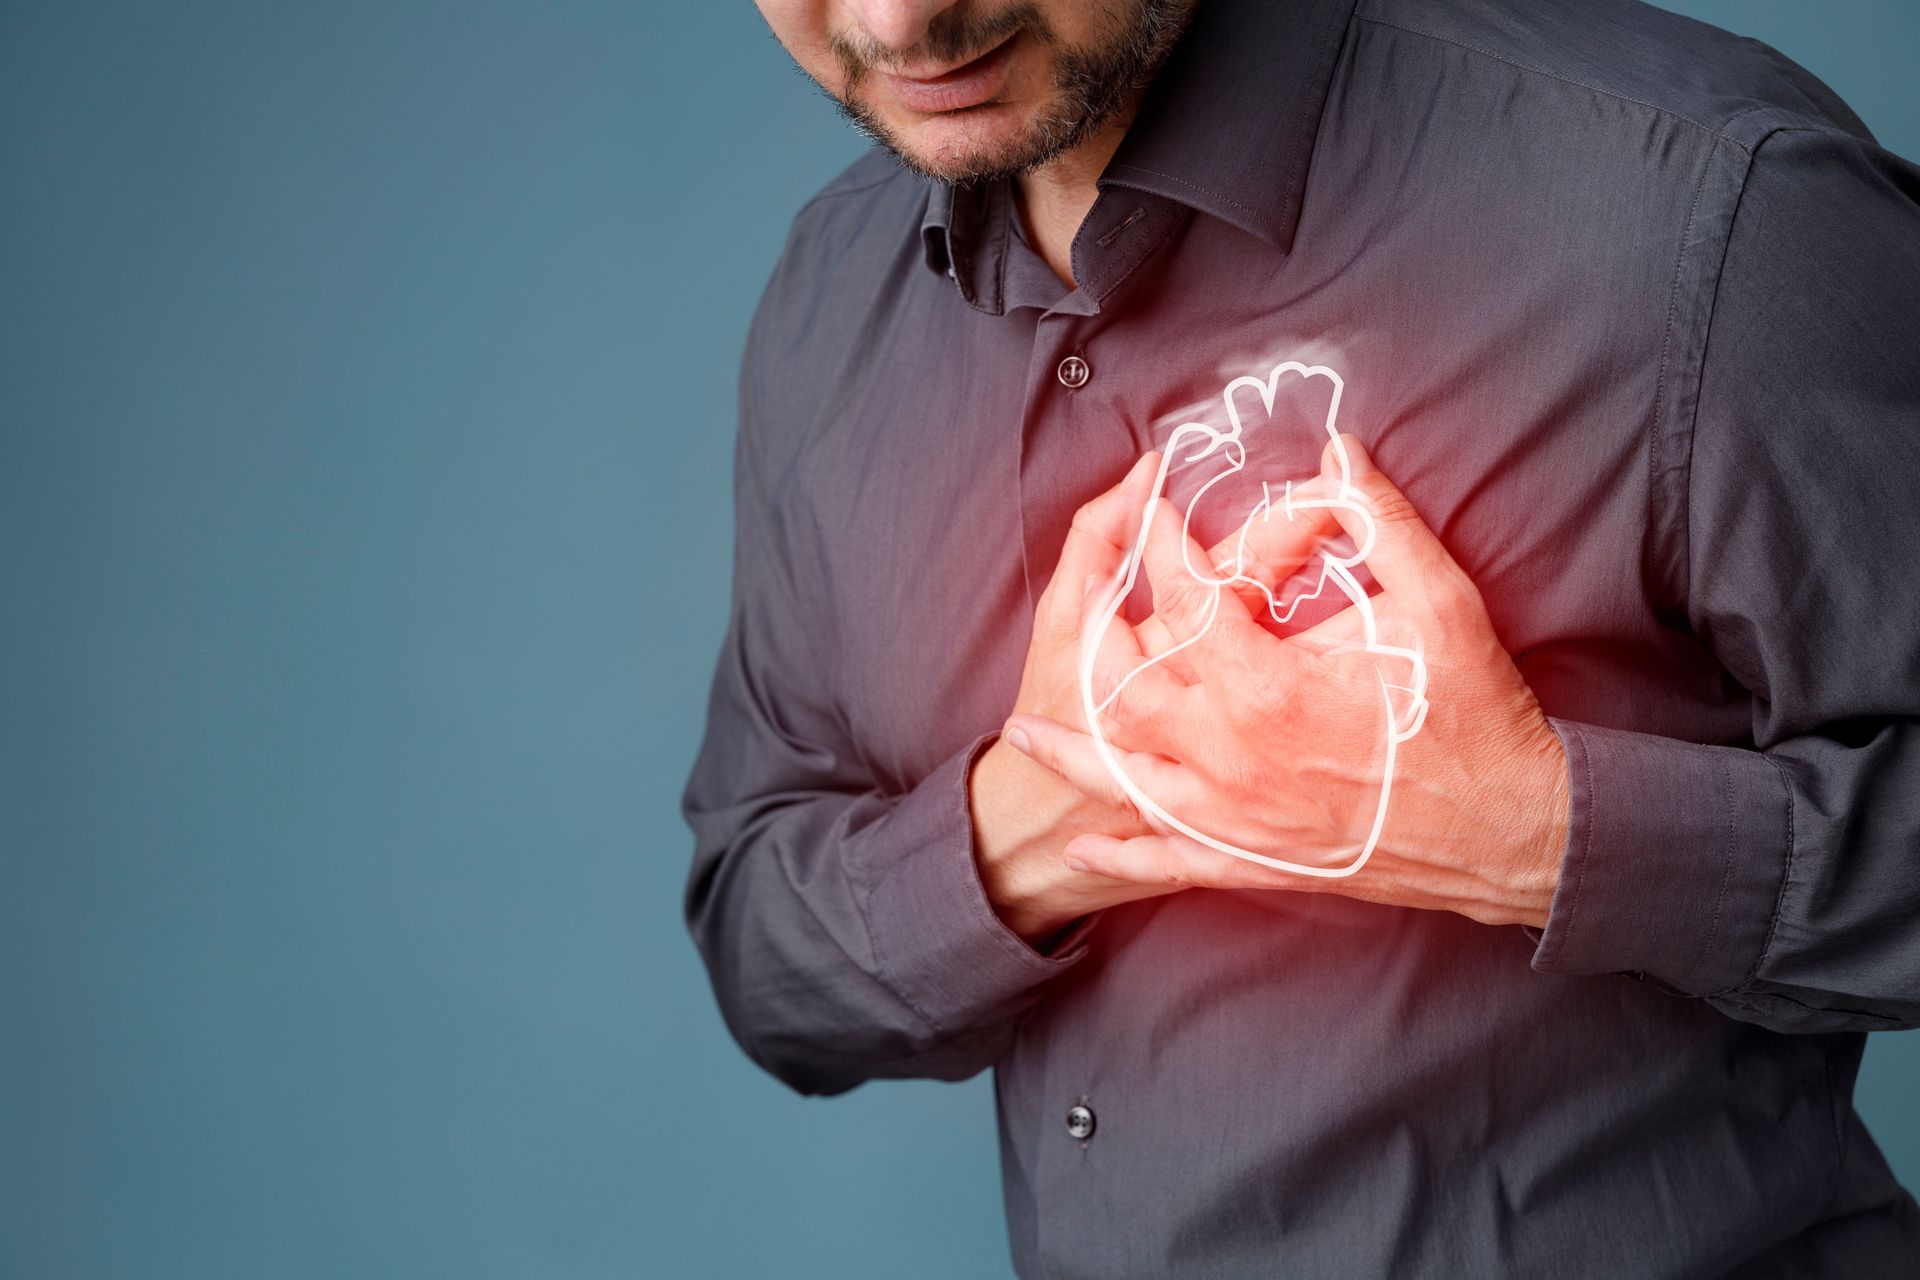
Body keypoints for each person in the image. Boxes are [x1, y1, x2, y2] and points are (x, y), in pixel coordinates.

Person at [683, 0, 1920, 1273]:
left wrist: (1532, 832)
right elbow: (765, 955)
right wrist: (1031, 824)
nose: (902, 17)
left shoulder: (1710, 203)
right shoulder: (825, 298)